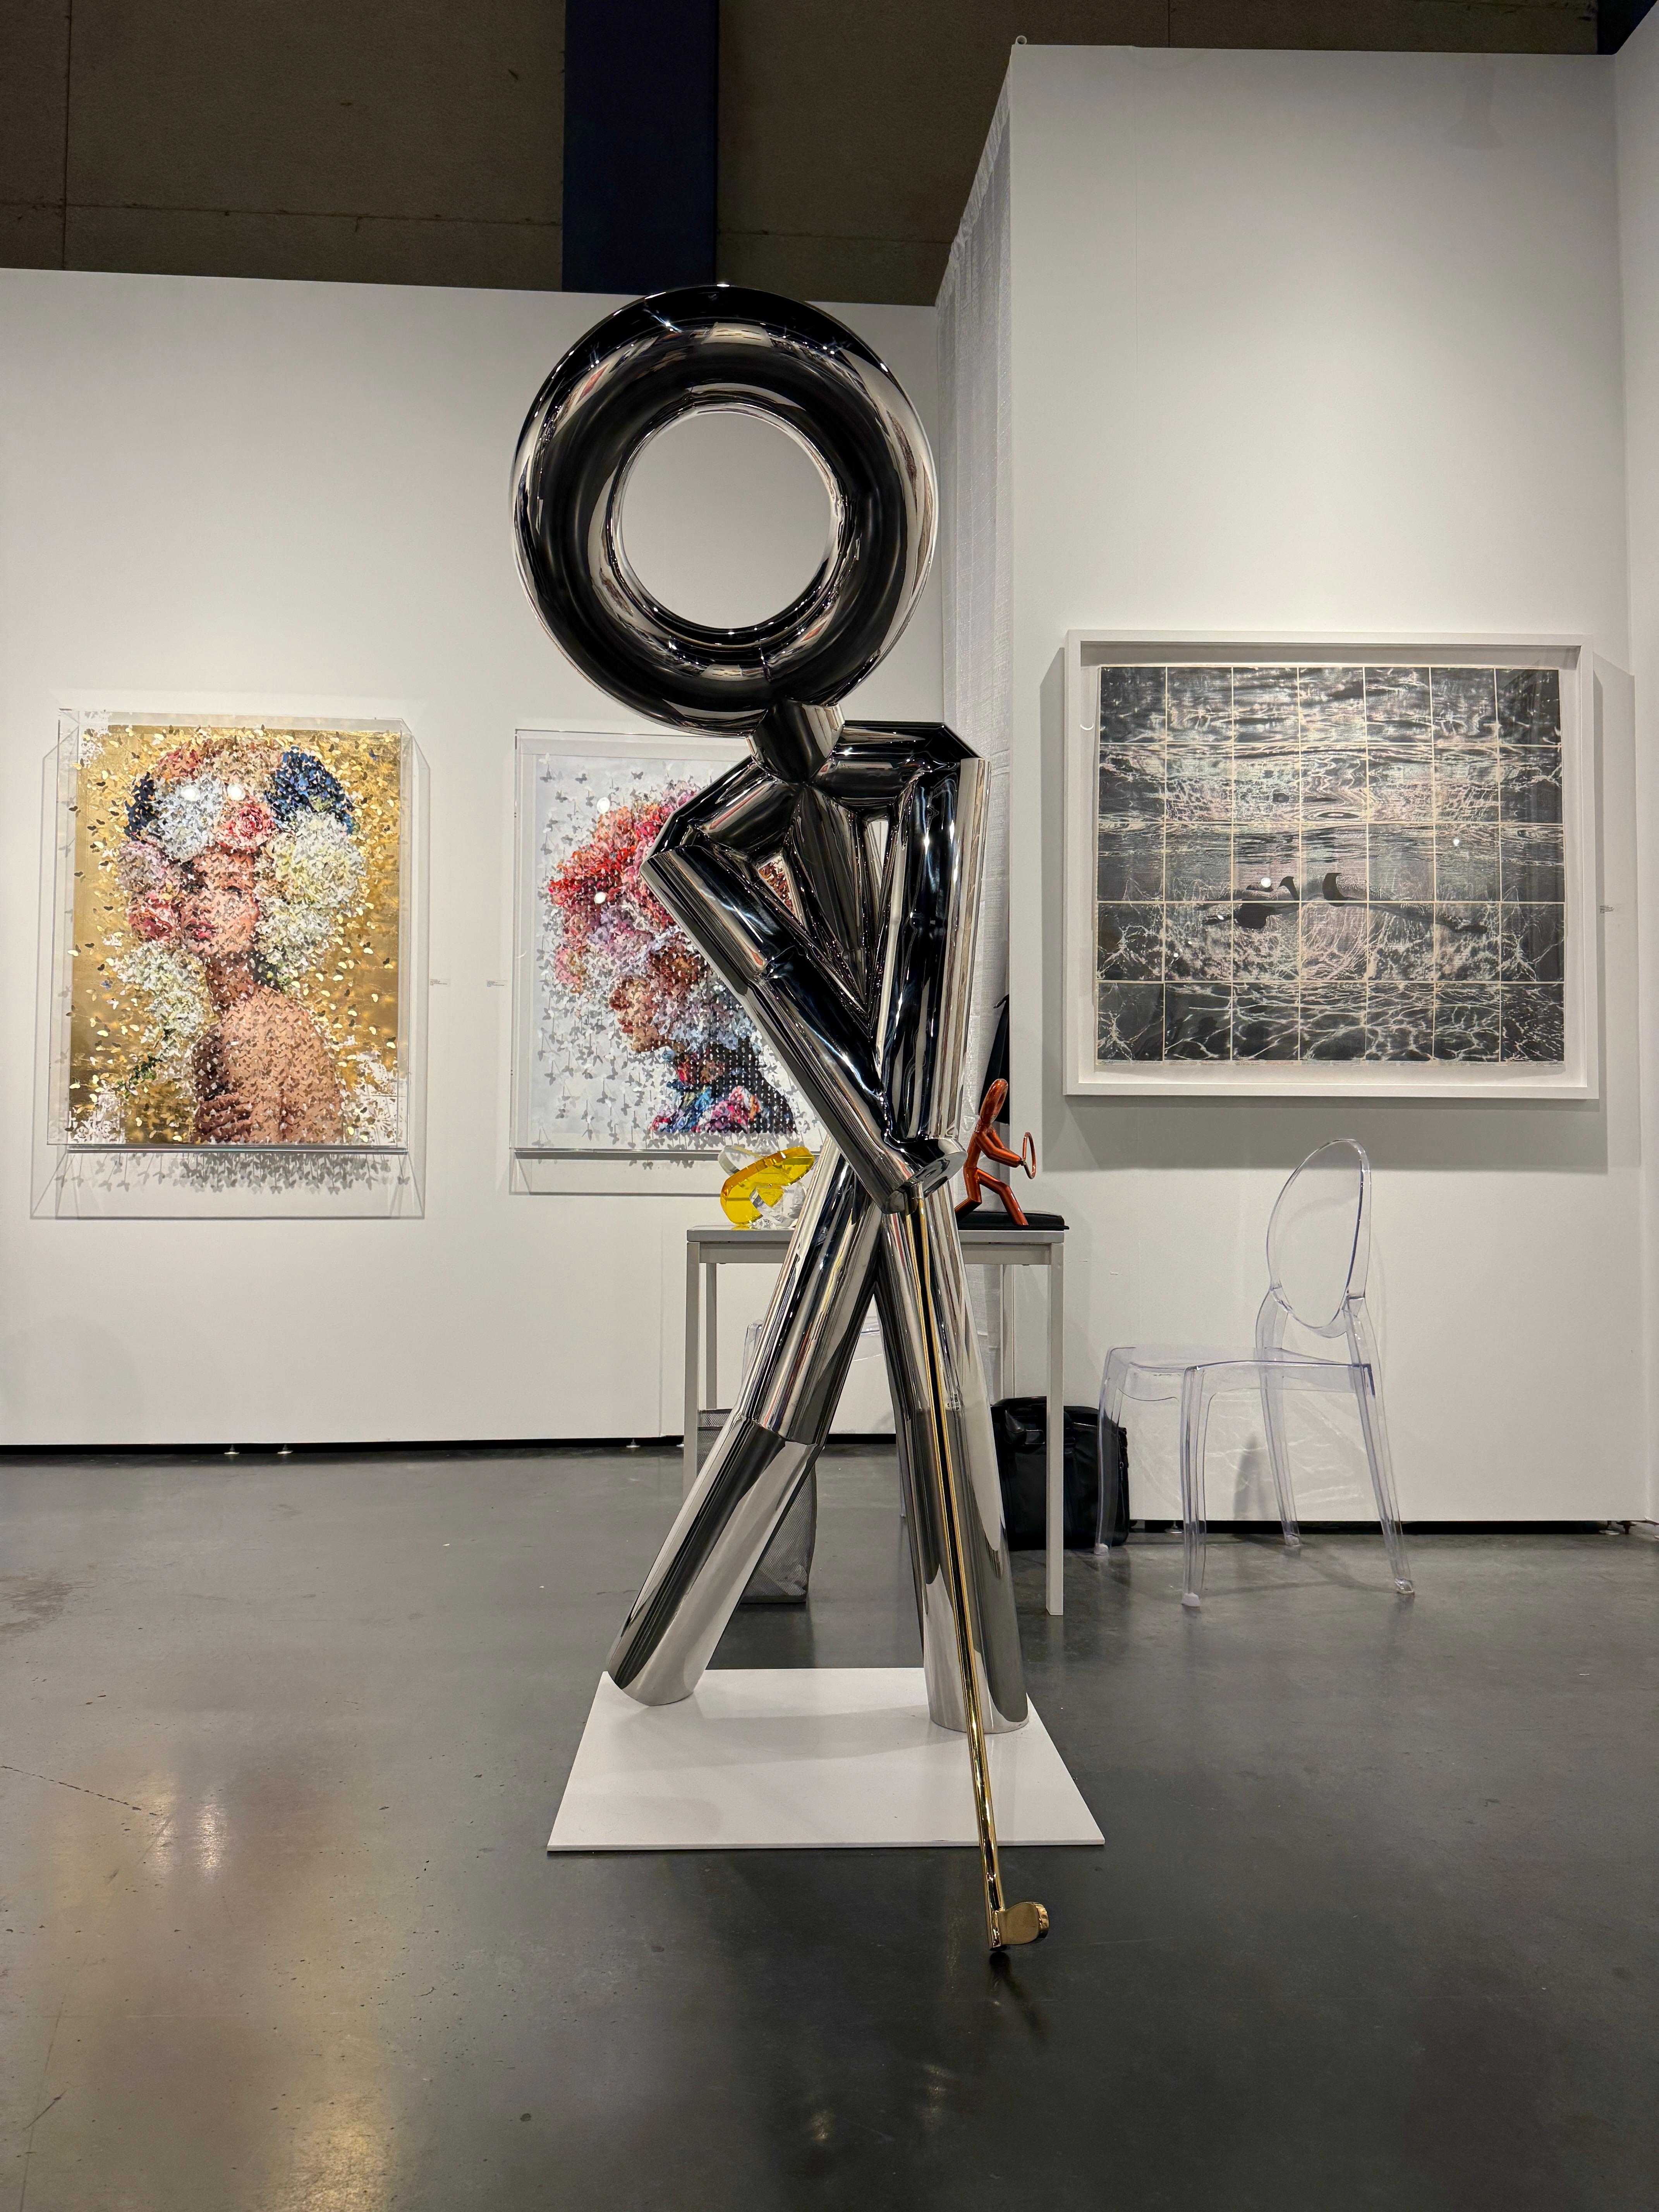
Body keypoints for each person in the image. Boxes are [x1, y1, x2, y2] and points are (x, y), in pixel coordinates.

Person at [118, 737, 362, 1144]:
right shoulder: (241, 1021)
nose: (205, 905)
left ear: (272, 907)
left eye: (233, 891)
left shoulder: (252, 1028)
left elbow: (256, 1165)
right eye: (194, 884)